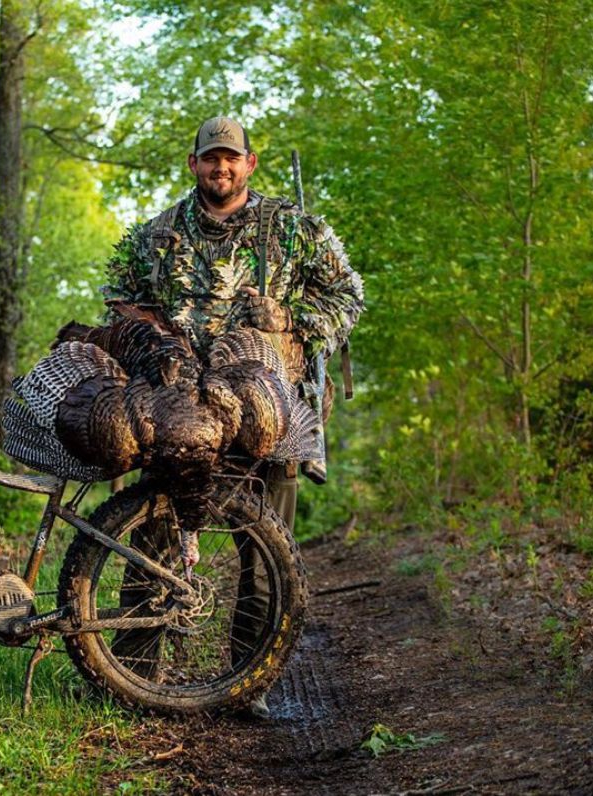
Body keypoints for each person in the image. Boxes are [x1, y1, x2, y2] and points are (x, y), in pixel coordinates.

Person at [100, 116, 364, 716]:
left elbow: (347, 296)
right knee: (156, 530)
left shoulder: (294, 231)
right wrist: (150, 336)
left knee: (264, 543)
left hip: (268, 407)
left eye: (231, 159)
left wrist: (291, 318)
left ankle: (253, 681)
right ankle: (134, 675)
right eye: (210, 159)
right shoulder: (158, 234)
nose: (221, 169)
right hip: (179, 409)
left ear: (250, 163)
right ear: (193, 164)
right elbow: (119, 295)